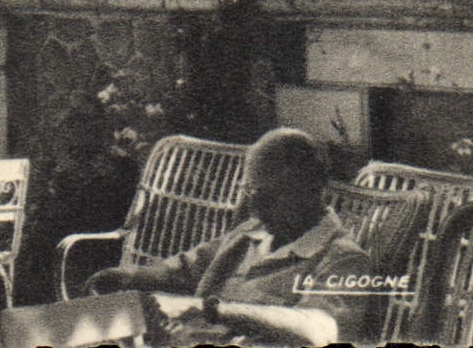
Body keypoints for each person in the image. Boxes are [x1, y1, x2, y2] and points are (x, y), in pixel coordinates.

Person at [85, 128, 371, 346]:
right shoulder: (251, 232)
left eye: (266, 195)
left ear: (311, 189)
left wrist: (215, 310)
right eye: (249, 192)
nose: (253, 207)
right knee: (56, 326)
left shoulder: (343, 258)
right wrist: (131, 276)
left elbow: (322, 327)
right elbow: (186, 267)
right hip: (181, 339)